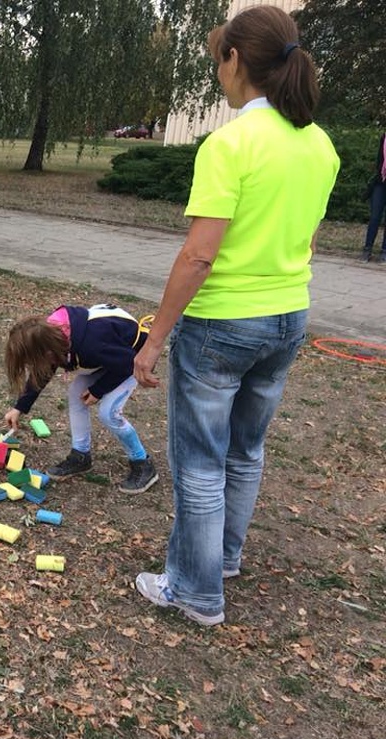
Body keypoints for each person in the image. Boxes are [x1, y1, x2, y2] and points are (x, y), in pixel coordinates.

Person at [132, 5, 340, 626]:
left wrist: (153, 341)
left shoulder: (230, 144)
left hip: (222, 326)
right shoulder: (320, 145)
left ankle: (193, 591)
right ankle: (220, 559)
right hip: (287, 317)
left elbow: (199, 256)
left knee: (199, 459)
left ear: (235, 60)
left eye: (218, 58)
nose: (217, 71)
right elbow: (305, 239)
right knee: (244, 451)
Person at [3, 304, 159, 495]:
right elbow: (41, 374)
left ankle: (142, 462)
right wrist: (20, 407)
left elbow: (126, 364)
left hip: (132, 359)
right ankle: (81, 455)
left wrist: (97, 390)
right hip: (106, 357)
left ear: (46, 352)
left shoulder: (92, 344)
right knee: (76, 394)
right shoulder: (53, 340)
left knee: (108, 413)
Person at [362, 131, 386, 262]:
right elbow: (379, 160)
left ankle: (384, 251)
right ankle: (367, 248)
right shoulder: (384, 137)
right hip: (381, 182)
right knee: (375, 216)